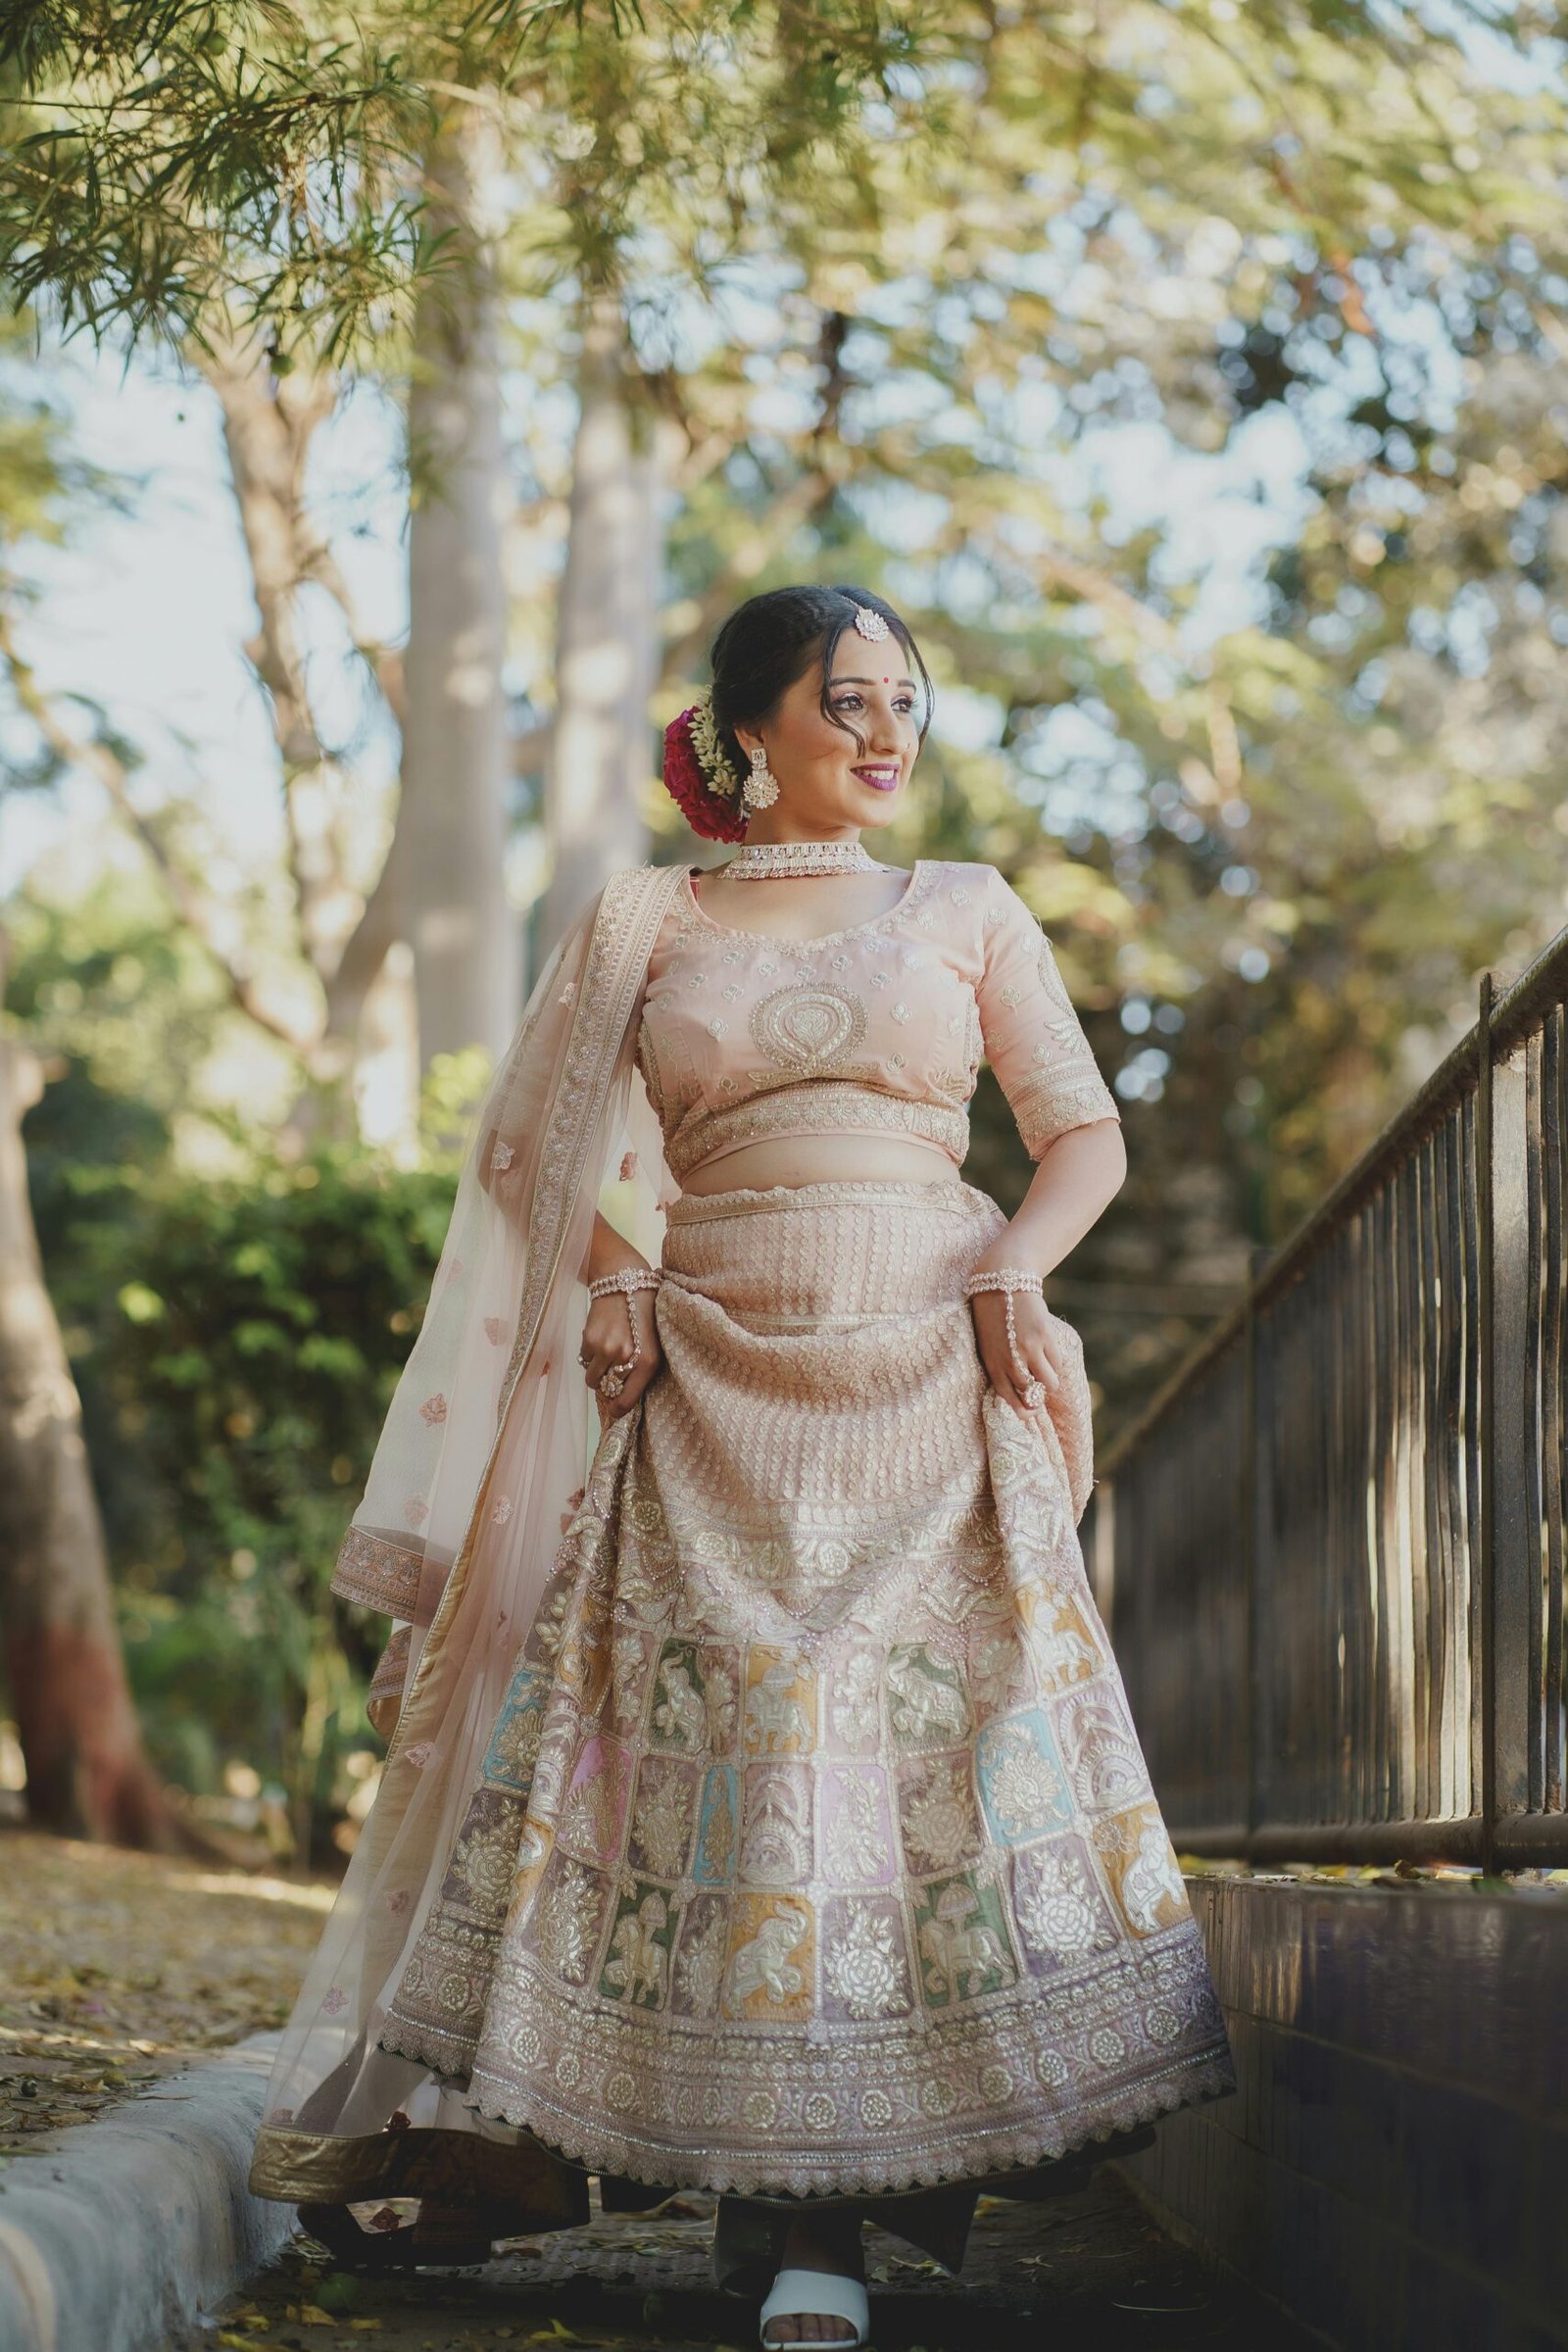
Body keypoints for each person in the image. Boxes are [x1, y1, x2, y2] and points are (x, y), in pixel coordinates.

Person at [250, 584, 1236, 2350]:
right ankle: (780, 2220)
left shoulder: (968, 908)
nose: (887, 734)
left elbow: (1082, 1134)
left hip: (931, 1370)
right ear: (751, 727)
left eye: (907, 702)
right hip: (705, 1374)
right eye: (847, 700)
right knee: (746, 1767)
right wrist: (621, 1274)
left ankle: (835, 2221)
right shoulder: (647, 919)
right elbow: (530, 1154)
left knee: (886, 1775)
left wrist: (1014, 1263)